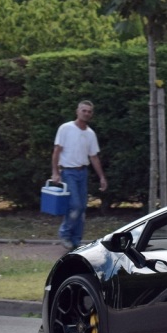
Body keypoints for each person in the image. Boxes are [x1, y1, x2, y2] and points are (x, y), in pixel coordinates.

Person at [51, 100, 107, 249]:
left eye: (89, 111)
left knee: (82, 207)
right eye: (84, 110)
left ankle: (76, 240)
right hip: (68, 171)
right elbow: (57, 151)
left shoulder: (90, 134)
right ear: (77, 111)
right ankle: (64, 233)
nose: (86, 113)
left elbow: (93, 156)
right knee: (75, 205)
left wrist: (101, 177)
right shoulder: (66, 128)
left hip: (83, 172)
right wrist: (55, 172)